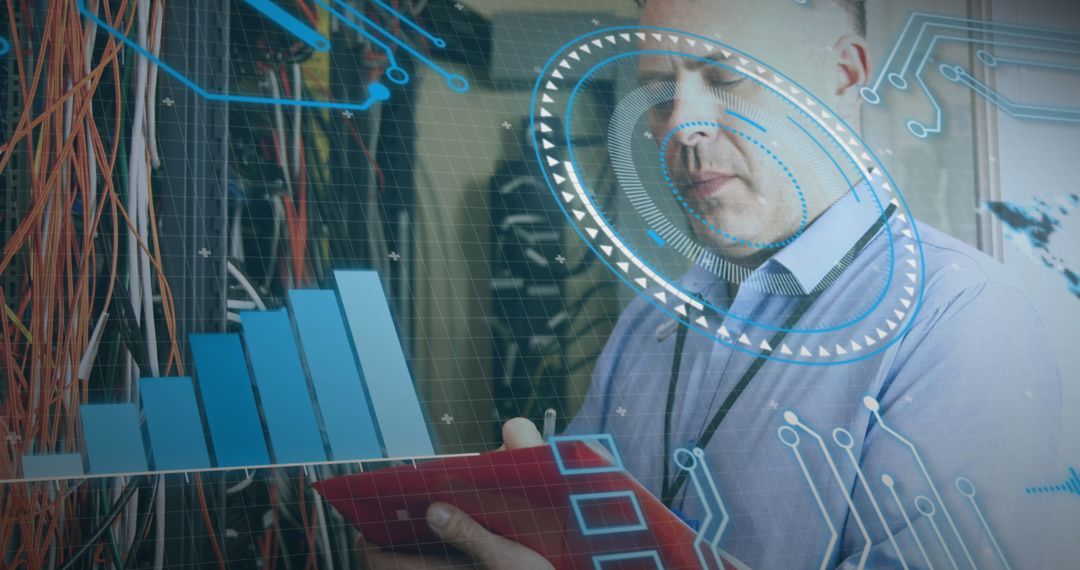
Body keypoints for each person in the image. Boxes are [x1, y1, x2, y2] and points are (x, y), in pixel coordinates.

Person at [360, 0, 1066, 567]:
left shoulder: (965, 321)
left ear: (846, 76)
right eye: (660, 94)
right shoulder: (653, 321)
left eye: (726, 79)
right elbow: (577, 535)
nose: (681, 126)